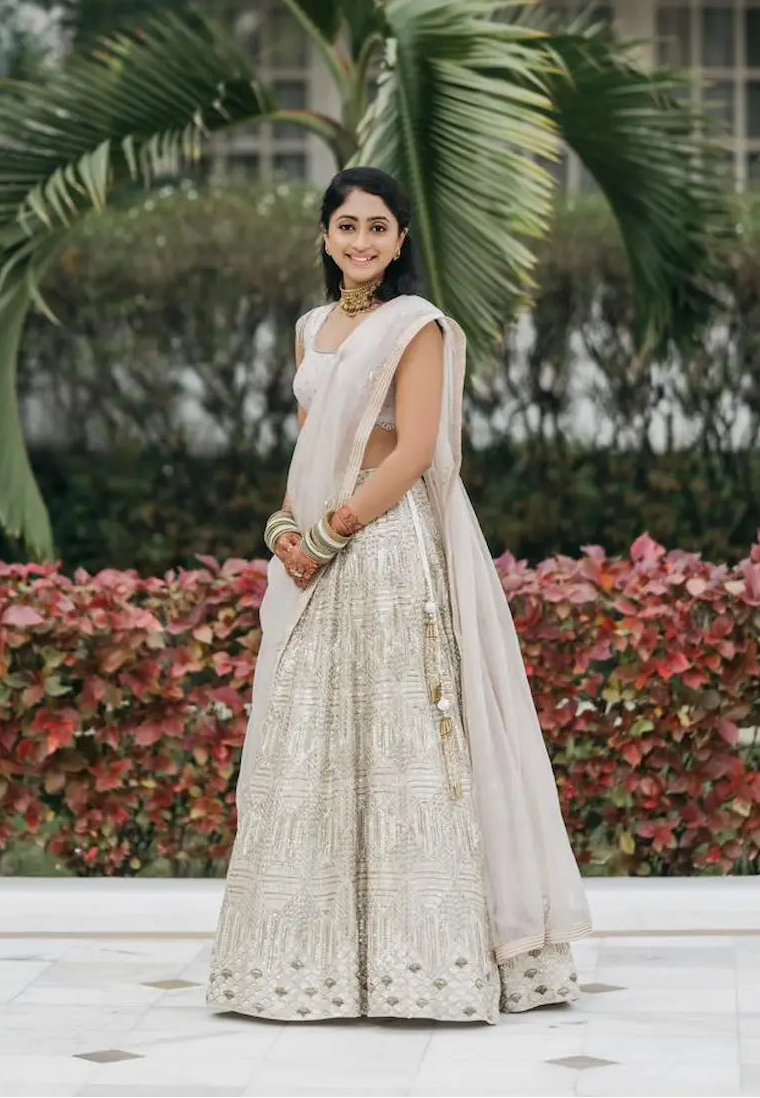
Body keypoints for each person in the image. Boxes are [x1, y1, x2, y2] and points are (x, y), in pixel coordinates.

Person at [206, 166, 592, 1025]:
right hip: (314, 547)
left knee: (404, 736)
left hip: (385, 546)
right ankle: (308, 965)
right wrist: (282, 530)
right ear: (324, 235)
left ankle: (427, 963)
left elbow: (415, 448)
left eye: (378, 228)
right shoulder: (311, 328)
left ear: (401, 241)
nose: (361, 242)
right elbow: (310, 449)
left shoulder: (417, 326)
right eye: (347, 226)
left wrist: (333, 532)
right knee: (309, 741)